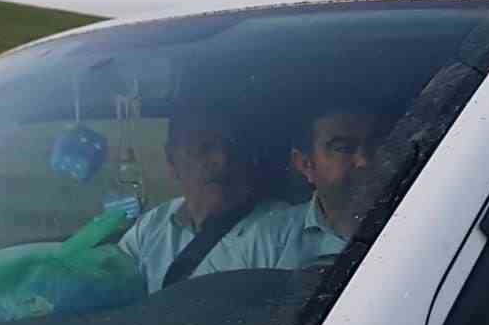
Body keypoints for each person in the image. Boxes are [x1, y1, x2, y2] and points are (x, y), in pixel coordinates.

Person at [201, 102, 384, 273]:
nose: (364, 161)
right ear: (305, 164)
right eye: (343, 148)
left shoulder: (410, 224)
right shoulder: (267, 241)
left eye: (375, 144)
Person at [117, 110, 285, 292]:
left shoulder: (282, 230)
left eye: (232, 146)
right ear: (171, 160)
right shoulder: (149, 229)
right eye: (202, 148)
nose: (222, 160)